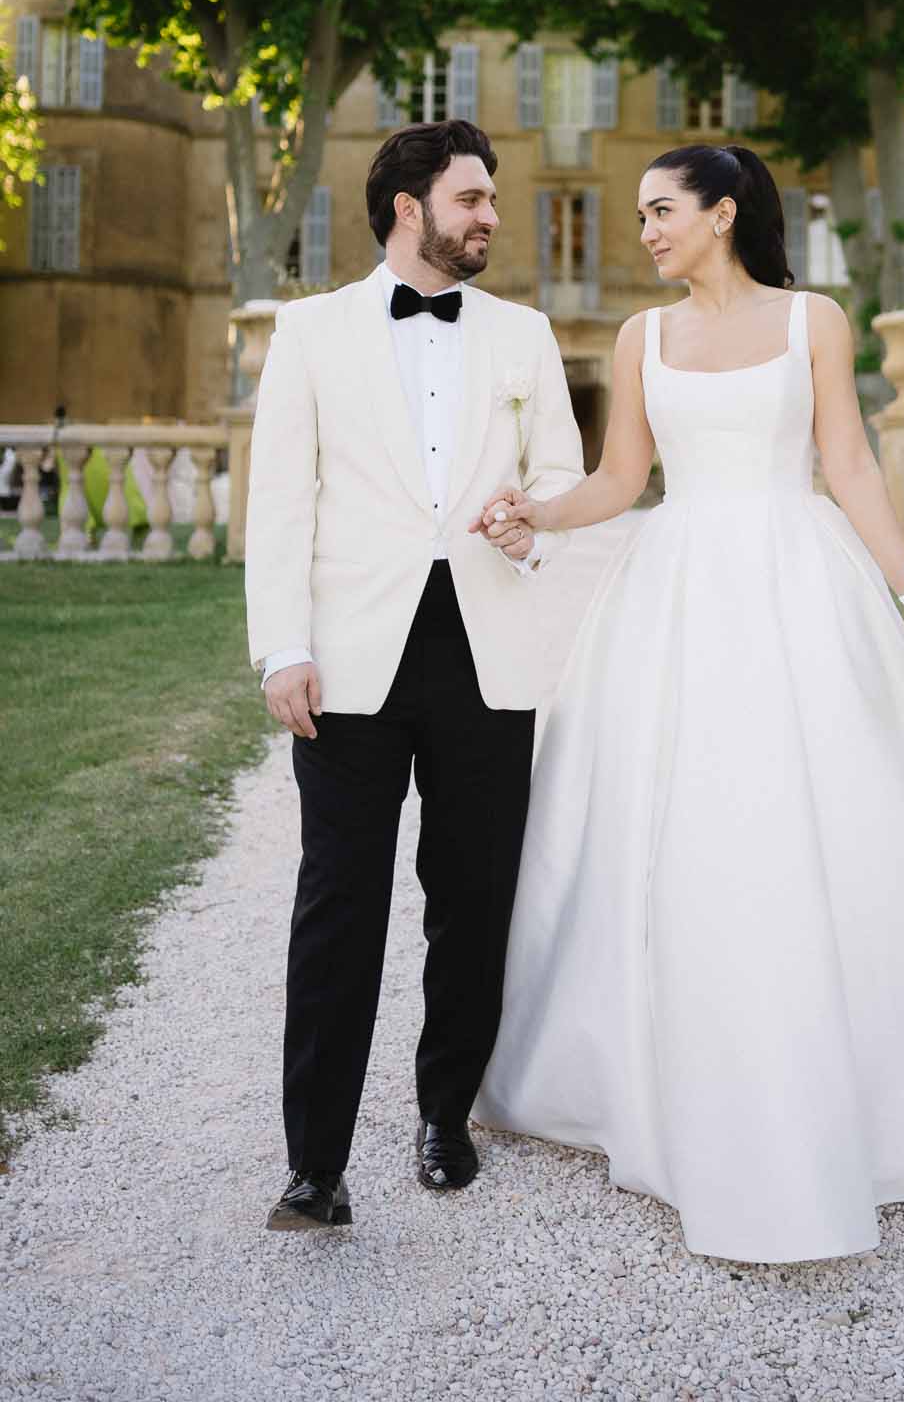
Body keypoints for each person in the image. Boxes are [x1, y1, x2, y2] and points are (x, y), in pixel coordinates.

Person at [472, 143, 904, 1264]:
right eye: (642, 212)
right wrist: (534, 517)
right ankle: (655, 1076)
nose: (645, 229)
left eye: (662, 209)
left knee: (843, 809)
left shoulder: (816, 321)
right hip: (679, 591)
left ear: (724, 211)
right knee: (680, 823)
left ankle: (890, 1088)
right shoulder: (641, 336)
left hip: (799, 581)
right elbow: (619, 481)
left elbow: (848, 465)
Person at [245, 119, 584, 1231]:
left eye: (489, 200)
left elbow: (563, 485)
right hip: (348, 660)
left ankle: (445, 1114)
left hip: (487, 652)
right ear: (408, 208)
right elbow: (280, 503)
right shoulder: (308, 330)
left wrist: (533, 530)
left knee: (472, 895)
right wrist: (282, 647)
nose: (491, 216)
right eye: (474, 198)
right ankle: (315, 1164)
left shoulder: (526, 334)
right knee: (338, 901)